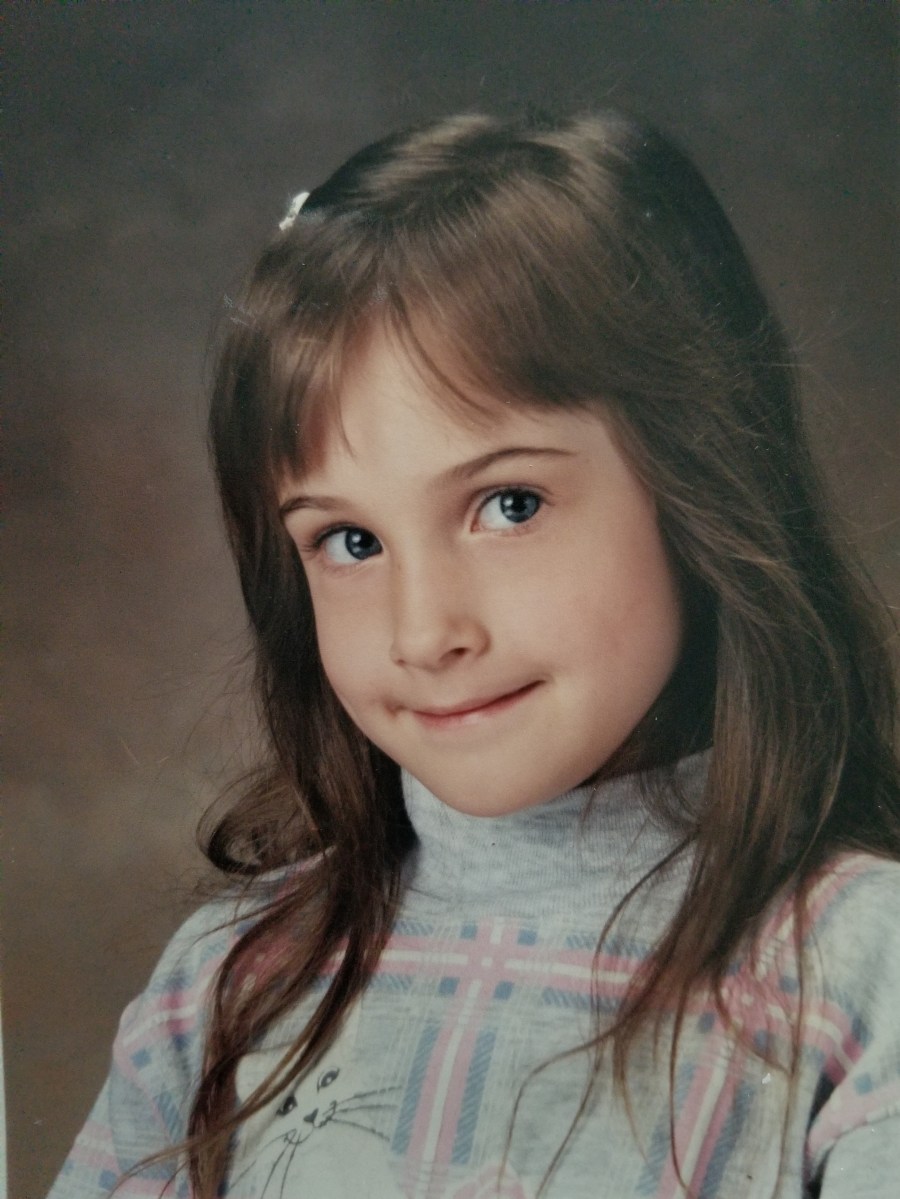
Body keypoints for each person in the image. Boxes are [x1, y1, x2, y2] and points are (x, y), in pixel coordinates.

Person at [49, 112, 900, 1199]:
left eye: (508, 503)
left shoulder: (863, 976)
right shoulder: (226, 985)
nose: (424, 630)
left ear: (699, 482)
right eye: (349, 541)